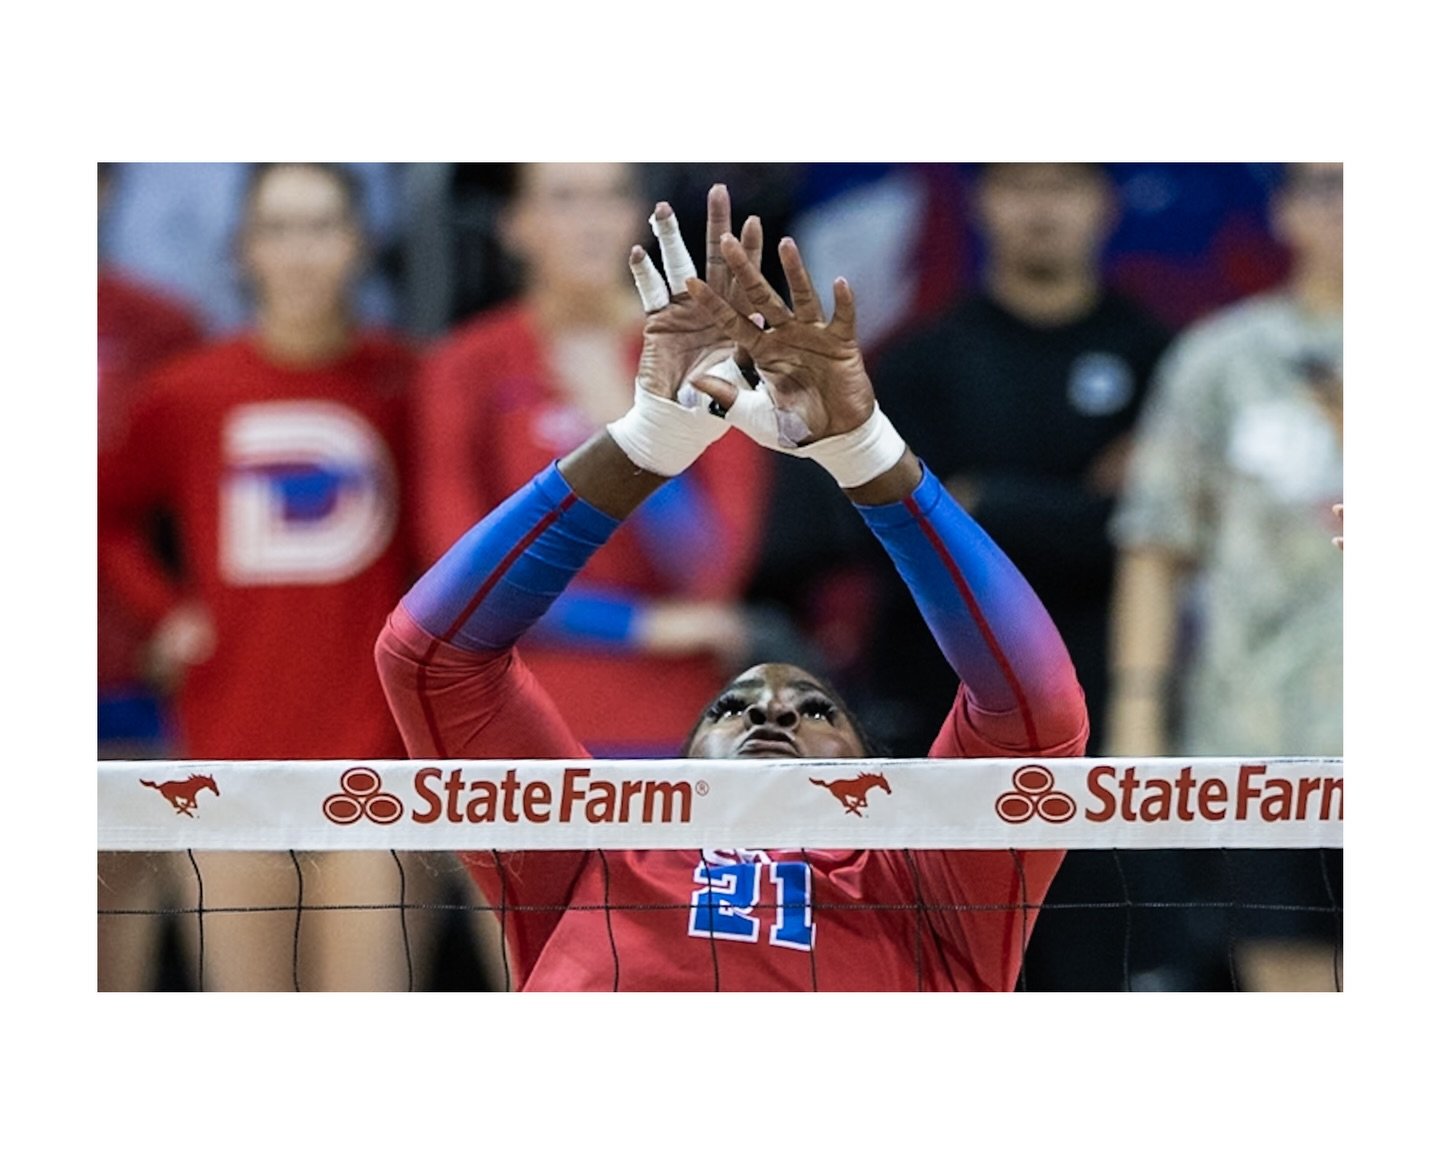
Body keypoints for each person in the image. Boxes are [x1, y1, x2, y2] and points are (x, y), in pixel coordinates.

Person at [376, 190, 1089, 991]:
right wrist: (647, 440)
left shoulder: (926, 883)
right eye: (731, 709)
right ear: (678, 771)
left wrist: (866, 454)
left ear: (877, 773)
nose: (771, 711)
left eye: (818, 710)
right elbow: (432, 654)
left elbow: (1035, 709)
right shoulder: (589, 856)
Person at [98, 163, 429, 991]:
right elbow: (101, 512)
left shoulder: (407, 382)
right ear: (244, 249)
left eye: (321, 226)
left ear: (359, 244)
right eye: (278, 229)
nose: (301, 252)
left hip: (374, 763)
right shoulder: (188, 392)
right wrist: (161, 613)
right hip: (225, 760)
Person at [412, 164, 774, 758]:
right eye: (564, 199)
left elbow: (711, 570)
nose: (590, 224)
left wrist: (631, 427)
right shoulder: (464, 367)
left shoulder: (706, 361)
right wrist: (647, 627)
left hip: (671, 726)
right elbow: (461, 582)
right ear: (516, 225)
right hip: (518, 722)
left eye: (609, 199)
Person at [1107, 162, 1343, 991]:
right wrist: (1138, 714)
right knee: (1288, 980)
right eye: (1328, 185)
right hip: (1260, 737)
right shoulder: (1221, 359)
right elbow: (1156, 541)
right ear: (1284, 209)